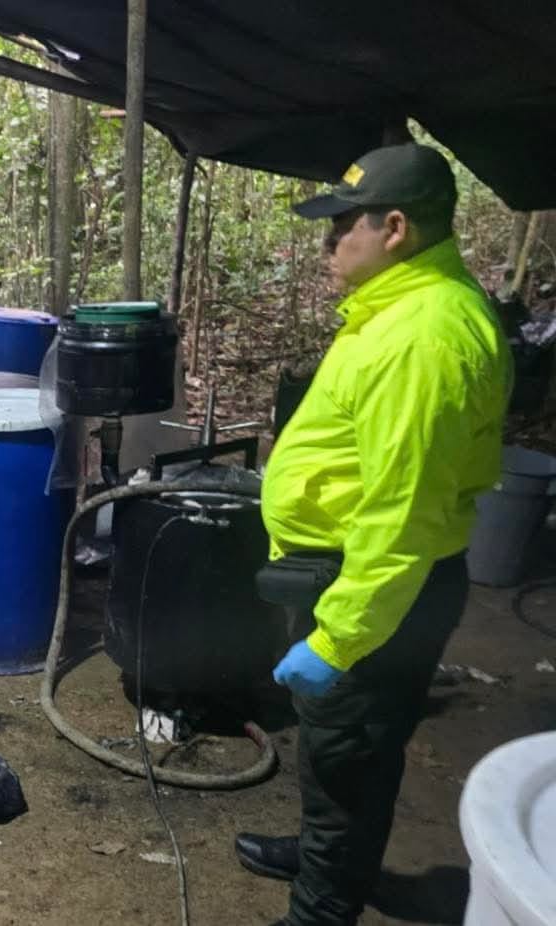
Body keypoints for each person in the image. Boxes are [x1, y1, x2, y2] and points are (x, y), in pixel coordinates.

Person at [232, 144, 512, 925]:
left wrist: (339, 639)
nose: (328, 243)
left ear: (394, 228)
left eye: (342, 227)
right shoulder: (401, 307)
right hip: (355, 577)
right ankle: (321, 852)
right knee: (338, 749)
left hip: (376, 591)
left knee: (351, 756)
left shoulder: (425, 340)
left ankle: (321, 911)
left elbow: (403, 519)